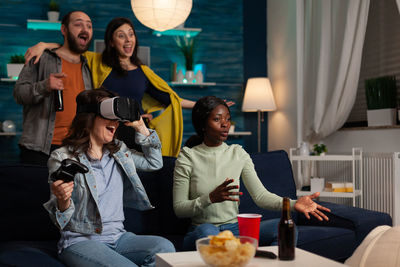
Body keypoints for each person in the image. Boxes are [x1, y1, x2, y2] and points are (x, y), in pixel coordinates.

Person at [25, 17, 234, 157]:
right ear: (112, 41)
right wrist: (43, 45)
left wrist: (210, 105)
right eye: (121, 35)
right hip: (105, 136)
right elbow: (69, 51)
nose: (128, 39)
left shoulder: (143, 71)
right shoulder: (98, 63)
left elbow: (171, 99)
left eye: (131, 34)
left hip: (136, 136)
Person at [172, 96, 331, 251]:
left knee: (286, 228)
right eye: (217, 119)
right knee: (209, 233)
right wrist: (210, 198)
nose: (225, 125)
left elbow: (261, 196)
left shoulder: (238, 153)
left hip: (235, 230)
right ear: (202, 125)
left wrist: (293, 204)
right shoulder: (188, 157)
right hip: (201, 230)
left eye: (227, 119)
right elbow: (179, 209)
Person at [43, 88, 175, 267]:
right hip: (81, 241)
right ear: (89, 118)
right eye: (109, 116)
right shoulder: (63, 157)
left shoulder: (119, 151)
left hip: (120, 238)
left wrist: (141, 128)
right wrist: (62, 199)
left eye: (117, 118)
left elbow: (154, 163)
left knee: (164, 248)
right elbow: (61, 220)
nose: (116, 123)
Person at [13, 10, 94, 165]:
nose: (85, 29)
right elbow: (18, 94)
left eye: (89, 26)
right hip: (39, 149)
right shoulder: (41, 57)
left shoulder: (90, 65)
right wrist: (45, 86)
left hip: (77, 149)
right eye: (78, 24)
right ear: (64, 30)